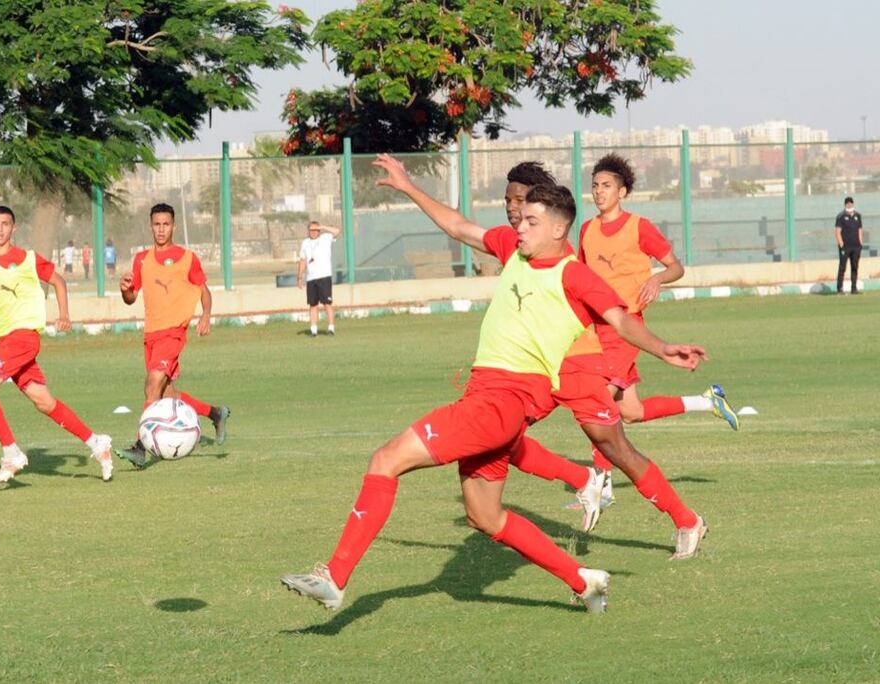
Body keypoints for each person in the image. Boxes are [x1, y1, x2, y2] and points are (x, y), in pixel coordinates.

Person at [280, 165, 708, 614]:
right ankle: (583, 579)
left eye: (530, 221)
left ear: (560, 229)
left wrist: (663, 350)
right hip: (491, 402)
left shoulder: (574, 276)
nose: (518, 225)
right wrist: (410, 187)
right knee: (484, 516)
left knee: (385, 460)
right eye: (519, 218)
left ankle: (334, 577)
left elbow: (620, 319)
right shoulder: (513, 250)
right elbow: (458, 226)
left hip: (501, 402)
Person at [575, 153, 740, 501]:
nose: (599, 191)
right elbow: (580, 277)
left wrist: (658, 279)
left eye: (606, 185)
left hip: (627, 328)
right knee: (630, 412)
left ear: (622, 191)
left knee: (597, 400)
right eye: (595, 185)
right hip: (594, 329)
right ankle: (707, 401)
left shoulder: (639, 227)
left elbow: (676, 266)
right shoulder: (587, 230)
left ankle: (599, 488)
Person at [0, 206, 114, 485]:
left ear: (13, 228)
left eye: (5, 224)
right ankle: (97, 442)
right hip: (7, 340)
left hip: (24, 338)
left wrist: (64, 314)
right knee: (44, 402)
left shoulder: (27, 259)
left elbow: (58, 281)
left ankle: (11, 452)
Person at [116, 203, 230, 467]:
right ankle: (215, 413)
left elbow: (204, 291)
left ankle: (139, 447)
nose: (161, 229)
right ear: (150, 225)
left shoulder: (187, 257)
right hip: (151, 335)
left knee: (152, 384)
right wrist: (124, 289)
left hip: (173, 333)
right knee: (167, 395)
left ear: (174, 226)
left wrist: (205, 315)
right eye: (156, 224)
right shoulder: (141, 259)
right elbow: (131, 298)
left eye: (166, 224)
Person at [297, 221, 341, 337]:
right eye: (311, 230)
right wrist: (300, 276)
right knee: (313, 305)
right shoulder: (305, 243)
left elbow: (337, 231)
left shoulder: (325, 238)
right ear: (308, 231)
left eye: (316, 230)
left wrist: (323, 226)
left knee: (327, 303)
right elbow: (302, 260)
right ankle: (313, 329)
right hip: (311, 278)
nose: (314, 232)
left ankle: (331, 328)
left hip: (324, 276)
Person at [836, 196, 864, 295]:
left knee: (855, 267)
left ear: (853, 204)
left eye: (850, 203)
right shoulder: (841, 216)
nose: (849, 205)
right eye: (847, 203)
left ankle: (854, 288)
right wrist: (841, 244)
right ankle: (840, 289)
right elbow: (838, 231)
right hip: (845, 247)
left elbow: (860, 230)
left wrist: (861, 243)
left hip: (856, 246)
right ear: (845, 205)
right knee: (842, 267)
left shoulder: (858, 216)